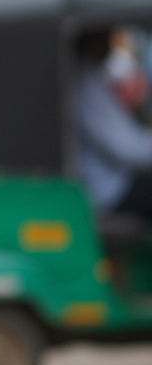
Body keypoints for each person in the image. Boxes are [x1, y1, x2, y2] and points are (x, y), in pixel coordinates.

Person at [71, 27, 152, 221]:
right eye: (104, 33)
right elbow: (128, 150)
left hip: (114, 181)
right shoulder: (84, 80)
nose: (108, 40)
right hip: (107, 191)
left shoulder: (91, 73)